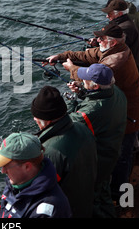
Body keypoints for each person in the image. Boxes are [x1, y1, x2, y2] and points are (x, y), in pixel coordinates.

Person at [46, 24, 139, 200]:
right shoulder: (110, 51)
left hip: (130, 114)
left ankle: (120, 196)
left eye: (102, 38)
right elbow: (86, 56)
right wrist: (60, 57)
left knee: (122, 157)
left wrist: (73, 71)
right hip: (121, 106)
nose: (97, 40)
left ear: (113, 42)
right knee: (125, 149)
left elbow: (95, 78)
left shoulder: (114, 61)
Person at [0, 132, 72, 218]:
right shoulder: (17, 183)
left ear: (27, 166)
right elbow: (13, 209)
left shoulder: (48, 210)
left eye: (6, 166)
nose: (3, 171)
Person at [66, 64, 127, 217]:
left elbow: (68, 124)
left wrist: (73, 99)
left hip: (99, 160)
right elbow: (97, 102)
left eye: (85, 79)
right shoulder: (117, 92)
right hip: (112, 152)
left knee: (92, 198)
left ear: (95, 86)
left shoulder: (89, 113)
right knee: (104, 190)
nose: (82, 80)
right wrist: (82, 92)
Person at [30, 85, 97, 218]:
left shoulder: (49, 152)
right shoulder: (82, 128)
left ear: (46, 121)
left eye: (37, 119)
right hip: (88, 201)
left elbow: (41, 191)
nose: (34, 120)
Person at [100, 0, 139, 71]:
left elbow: (115, 49)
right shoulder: (125, 23)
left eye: (109, 14)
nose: (107, 16)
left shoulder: (124, 28)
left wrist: (99, 43)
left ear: (119, 14)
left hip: (129, 68)